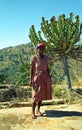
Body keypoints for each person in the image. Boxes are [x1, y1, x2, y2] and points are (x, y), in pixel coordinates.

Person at [29, 43, 52, 119]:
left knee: (42, 95)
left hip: (45, 77)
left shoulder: (46, 58)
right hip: (37, 78)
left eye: (43, 48)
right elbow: (31, 69)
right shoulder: (34, 58)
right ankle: (32, 112)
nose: (41, 49)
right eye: (40, 48)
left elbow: (47, 68)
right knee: (35, 95)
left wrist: (49, 77)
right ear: (37, 49)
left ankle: (38, 110)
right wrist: (31, 80)